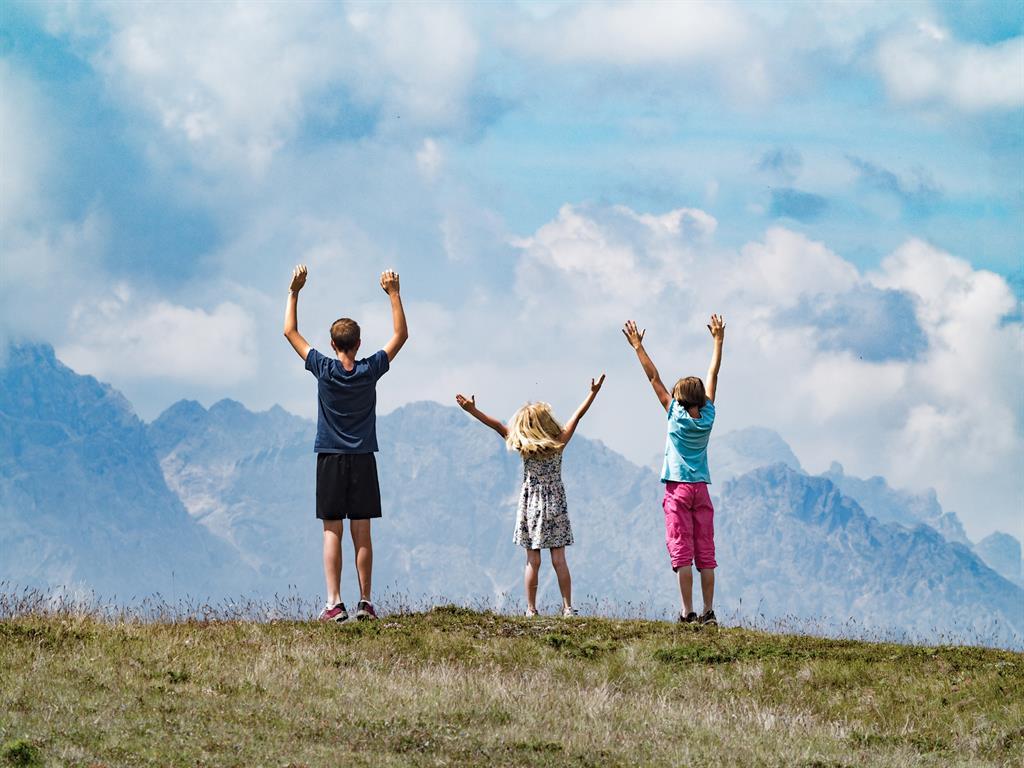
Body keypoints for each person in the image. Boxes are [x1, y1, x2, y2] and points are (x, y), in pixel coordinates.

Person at [283, 264, 408, 622]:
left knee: (332, 531)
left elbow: (289, 331)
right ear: (359, 344)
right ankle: (365, 602)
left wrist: (294, 291)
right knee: (362, 532)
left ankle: (334, 603)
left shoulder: (323, 368)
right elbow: (400, 335)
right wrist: (394, 293)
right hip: (363, 457)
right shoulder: (369, 370)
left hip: (330, 457)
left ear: (332, 344)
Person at [455, 376, 605, 617]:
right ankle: (567, 608)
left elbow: (497, 425)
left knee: (532, 561)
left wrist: (473, 410)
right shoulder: (558, 443)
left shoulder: (523, 445)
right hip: (555, 504)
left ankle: (531, 609)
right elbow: (577, 416)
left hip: (531, 505)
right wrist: (593, 393)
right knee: (559, 560)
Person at [622, 315, 725, 626]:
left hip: (678, 489)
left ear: (680, 399)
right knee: (705, 552)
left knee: (682, 550)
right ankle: (708, 612)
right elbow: (713, 374)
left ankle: (687, 612)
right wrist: (718, 341)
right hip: (701, 488)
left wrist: (638, 346)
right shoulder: (708, 416)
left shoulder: (674, 414)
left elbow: (653, 378)